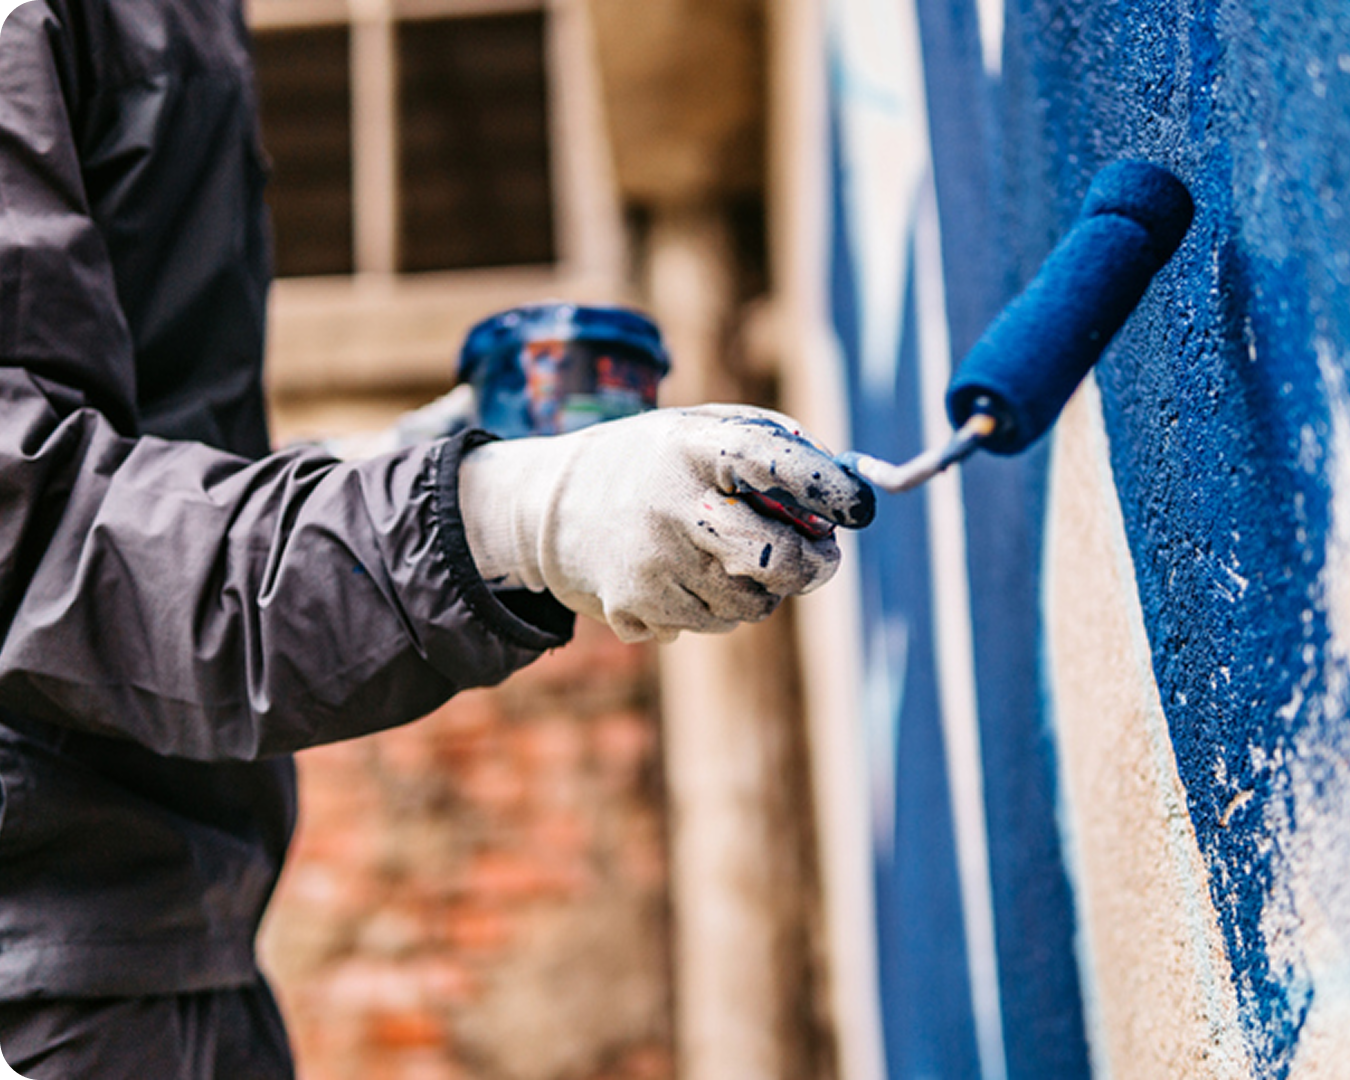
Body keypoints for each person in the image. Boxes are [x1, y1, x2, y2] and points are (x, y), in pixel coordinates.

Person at [0, 1, 872, 1076]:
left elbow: (136, 462)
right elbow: (35, 539)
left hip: (157, 939)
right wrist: (502, 515)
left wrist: (410, 460)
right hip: (53, 983)